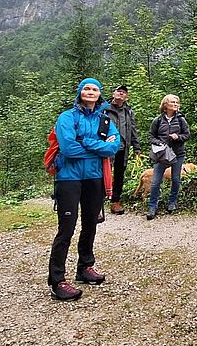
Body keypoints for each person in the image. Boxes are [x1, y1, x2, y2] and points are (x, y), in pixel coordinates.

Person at [48, 78, 120, 301]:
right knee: (66, 229)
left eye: (95, 89)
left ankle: (85, 268)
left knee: (90, 225)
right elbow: (68, 149)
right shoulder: (67, 117)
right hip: (68, 178)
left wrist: (86, 142)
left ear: (100, 94)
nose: (90, 92)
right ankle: (57, 280)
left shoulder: (105, 120)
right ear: (79, 93)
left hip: (94, 178)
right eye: (86, 88)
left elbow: (114, 147)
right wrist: (99, 148)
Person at [146, 94, 191, 220]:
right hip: (161, 154)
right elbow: (150, 136)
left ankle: (172, 202)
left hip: (177, 153)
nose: (176, 104)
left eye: (177, 102)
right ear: (165, 105)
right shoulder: (158, 120)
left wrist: (178, 137)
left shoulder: (181, 119)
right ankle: (152, 206)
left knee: (176, 179)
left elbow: (187, 135)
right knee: (156, 182)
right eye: (173, 102)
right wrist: (158, 142)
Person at [105, 84, 141, 215]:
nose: (121, 94)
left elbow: (133, 130)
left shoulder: (128, 111)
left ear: (127, 97)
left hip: (122, 148)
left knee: (119, 176)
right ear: (113, 93)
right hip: (105, 148)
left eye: (124, 92)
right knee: (102, 174)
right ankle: (97, 203)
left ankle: (115, 201)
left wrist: (136, 147)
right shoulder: (104, 109)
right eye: (119, 91)